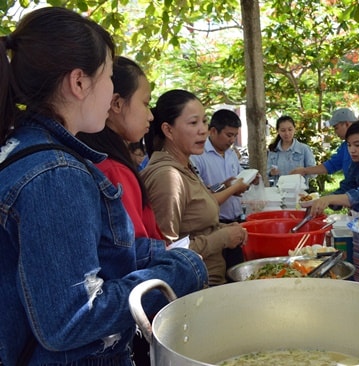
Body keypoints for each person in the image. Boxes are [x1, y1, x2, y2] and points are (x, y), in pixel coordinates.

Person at [0, 8, 207, 365]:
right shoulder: (55, 174)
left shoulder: (29, 151)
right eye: (109, 77)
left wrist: (156, 255)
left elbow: (92, 255)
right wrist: (180, 269)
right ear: (79, 83)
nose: (112, 93)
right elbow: (70, 319)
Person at [76, 56, 166, 365]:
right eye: (145, 102)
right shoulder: (113, 170)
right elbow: (133, 259)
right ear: (115, 104)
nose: (150, 115)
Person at [141, 89, 248, 286]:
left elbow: (194, 228)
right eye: (193, 123)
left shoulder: (185, 166)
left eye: (204, 122)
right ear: (168, 130)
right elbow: (167, 252)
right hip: (195, 290)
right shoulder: (167, 177)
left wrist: (224, 228)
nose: (203, 130)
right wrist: (221, 238)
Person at [190, 109, 252, 269]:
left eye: (234, 136)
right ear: (213, 131)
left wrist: (246, 181)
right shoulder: (198, 156)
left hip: (235, 220)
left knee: (236, 269)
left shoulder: (231, 154)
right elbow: (204, 196)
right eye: (228, 135)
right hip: (214, 226)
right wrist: (230, 187)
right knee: (218, 271)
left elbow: (237, 179)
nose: (232, 140)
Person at [309, 120, 359, 215]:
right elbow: (347, 186)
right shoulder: (357, 162)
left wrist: (330, 199)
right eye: (349, 145)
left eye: (357, 145)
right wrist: (323, 201)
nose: (352, 150)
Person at [290, 107, 356, 192]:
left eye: (336, 128)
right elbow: (331, 165)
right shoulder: (344, 147)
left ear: (347, 124)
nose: (335, 132)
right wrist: (305, 170)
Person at [267, 115, 316, 186]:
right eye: (283, 130)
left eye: (290, 129)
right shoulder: (273, 150)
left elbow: (314, 173)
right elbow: (267, 172)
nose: (287, 133)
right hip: (279, 191)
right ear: (278, 131)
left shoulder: (304, 149)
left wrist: (304, 171)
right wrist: (271, 172)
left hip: (298, 191)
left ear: (294, 129)